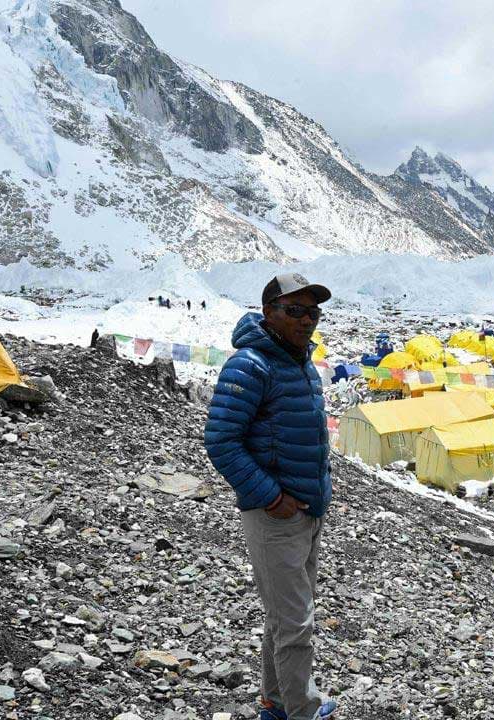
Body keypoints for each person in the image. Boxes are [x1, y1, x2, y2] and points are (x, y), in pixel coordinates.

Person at [204, 273, 336, 720]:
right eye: (295, 310)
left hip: (306, 512)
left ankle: (276, 703)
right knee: (297, 624)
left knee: (285, 618)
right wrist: (270, 497)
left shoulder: (298, 362)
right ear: (269, 313)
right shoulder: (250, 366)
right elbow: (221, 440)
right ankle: (302, 711)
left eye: (312, 312)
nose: (307, 320)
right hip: (275, 515)